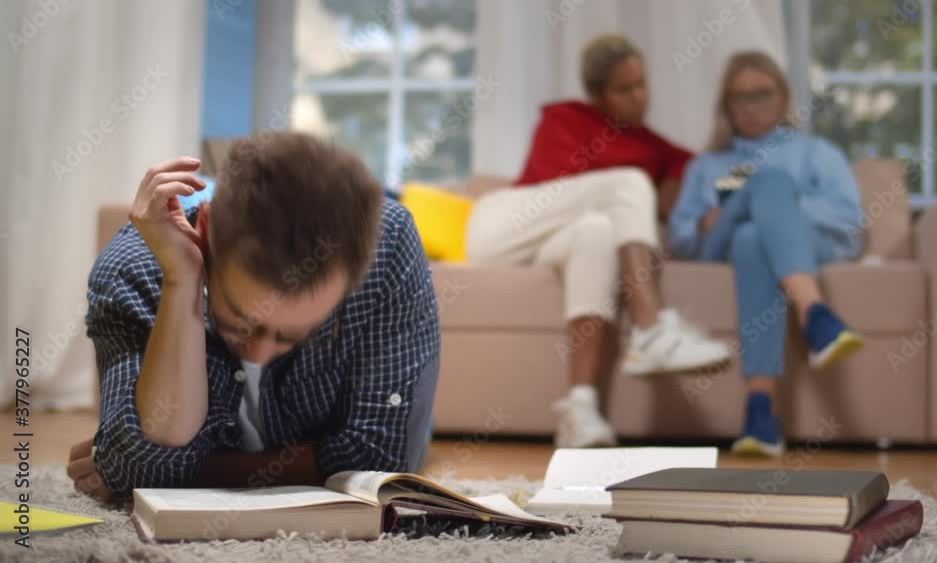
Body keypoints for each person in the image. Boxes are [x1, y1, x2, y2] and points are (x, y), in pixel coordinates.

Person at [67, 132, 441, 501]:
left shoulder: (387, 248)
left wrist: (169, 471)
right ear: (205, 229)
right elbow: (138, 466)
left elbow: (384, 460)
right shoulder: (133, 267)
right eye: (240, 322)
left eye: (292, 335)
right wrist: (182, 282)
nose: (258, 353)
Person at [464, 34, 731, 450]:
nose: (640, 97)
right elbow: (565, 183)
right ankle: (651, 329)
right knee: (627, 184)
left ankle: (580, 409)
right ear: (597, 94)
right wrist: (643, 184)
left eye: (642, 84)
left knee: (598, 232)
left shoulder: (651, 144)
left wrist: (685, 188)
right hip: (501, 228)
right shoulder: (563, 119)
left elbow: (690, 175)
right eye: (625, 89)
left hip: (554, 245)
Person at [669, 51, 865, 457]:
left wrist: (779, 211)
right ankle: (815, 315)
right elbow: (679, 238)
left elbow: (851, 221)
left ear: (783, 97)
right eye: (740, 97)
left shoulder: (817, 154)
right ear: (726, 104)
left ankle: (761, 412)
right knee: (766, 187)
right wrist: (703, 223)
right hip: (717, 247)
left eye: (762, 94)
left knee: (752, 236)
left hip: (801, 242)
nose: (752, 106)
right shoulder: (706, 166)